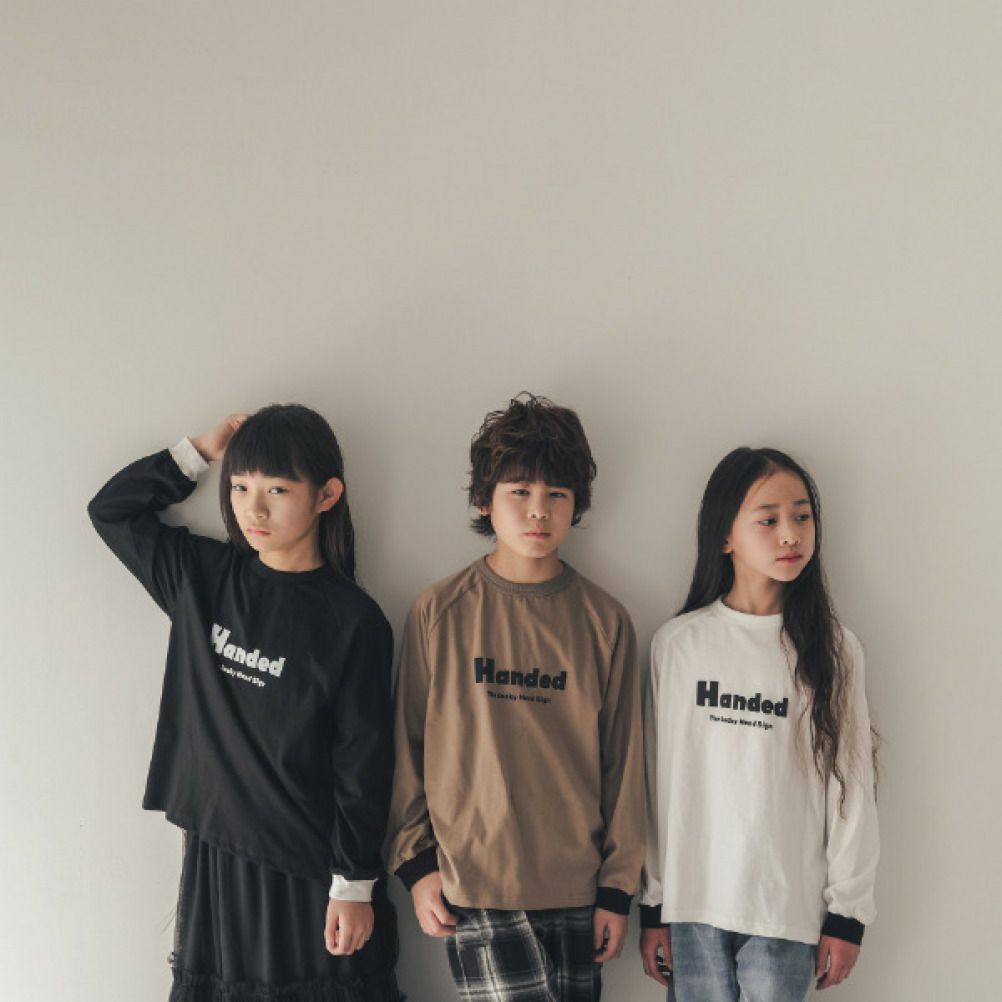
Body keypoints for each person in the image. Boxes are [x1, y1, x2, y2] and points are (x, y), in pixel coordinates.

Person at [88, 405, 401, 1002]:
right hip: (219, 853)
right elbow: (112, 511)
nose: (252, 510)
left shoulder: (354, 621)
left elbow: (363, 761)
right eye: (239, 487)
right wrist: (200, 452)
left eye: (277, 490)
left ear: (326, 495)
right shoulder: (202, 578)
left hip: (310, 867)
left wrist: (354, 883)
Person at [384, 392, 644, 1002]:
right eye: (519, 491)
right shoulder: (440, 610)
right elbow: (406, 747)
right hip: (475, 883)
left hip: (577, 888)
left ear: (577, 503)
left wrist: (617, 888)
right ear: (485, 499)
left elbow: (624, 763)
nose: (538, 511)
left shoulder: (605, 621)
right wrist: (415, 866)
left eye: (557, 494)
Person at [638, 447, 879, 1001]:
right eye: (768, 520)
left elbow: (852, 787)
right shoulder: (679, 645)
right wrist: (653, 903)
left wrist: (847, 914)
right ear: (725, 535)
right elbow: (656, 784)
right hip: (692, 906)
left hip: (784, 910)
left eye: (802, 517)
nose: (790, 535)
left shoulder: (833, 649)